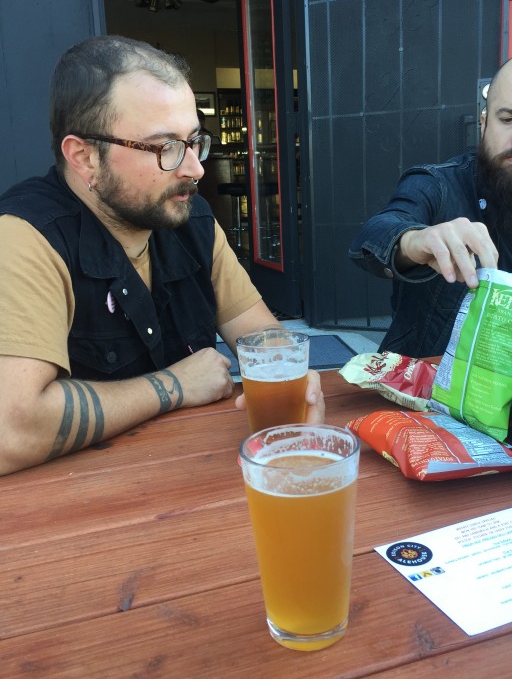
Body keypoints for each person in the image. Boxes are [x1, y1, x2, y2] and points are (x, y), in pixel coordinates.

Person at [0, 35, 323, 475]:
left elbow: (261, 337)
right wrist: (173, 386)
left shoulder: (191, 221)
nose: (195, 168)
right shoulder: (25, 237)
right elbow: (10, 429)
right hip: (78, 511)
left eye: (194, 141)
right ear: (85, 157)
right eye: (165, 148)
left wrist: (294, 378)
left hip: (194, 480)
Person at [349, 50, 512, 358]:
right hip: (429, 394)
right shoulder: (437, 185)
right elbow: (371, 238)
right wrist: (416, 240)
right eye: (507, 118)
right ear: (485, 122)